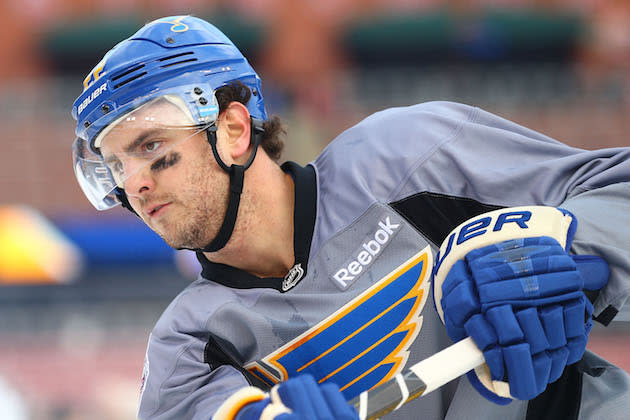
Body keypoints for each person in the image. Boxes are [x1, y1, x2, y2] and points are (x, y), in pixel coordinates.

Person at [71, 15, 630, 420]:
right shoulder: (188, 345)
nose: (133, 184)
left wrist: (560, 245)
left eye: (150, 147)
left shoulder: (408, 154)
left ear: (234, 130)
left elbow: (616, 190)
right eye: (114, 166)